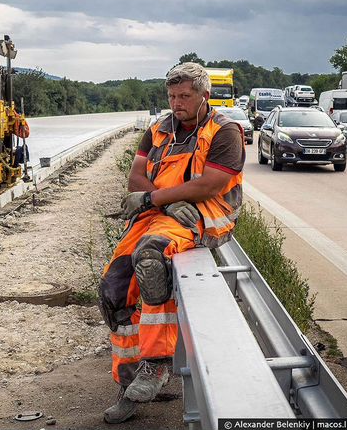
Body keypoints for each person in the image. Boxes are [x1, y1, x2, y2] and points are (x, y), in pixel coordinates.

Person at [99, 62, 245, 424]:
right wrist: (163, 199)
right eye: (172, 96)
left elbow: (209, 185)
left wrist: (155, 199)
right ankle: (130, 383)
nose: (177, 103)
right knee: (115, 285)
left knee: (151, 258)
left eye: (184, 96)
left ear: (204, 96)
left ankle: (158, 363)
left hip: (204, 215)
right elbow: (135, 177)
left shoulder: (225, 131)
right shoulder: (159, 129)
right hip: (163, 212)